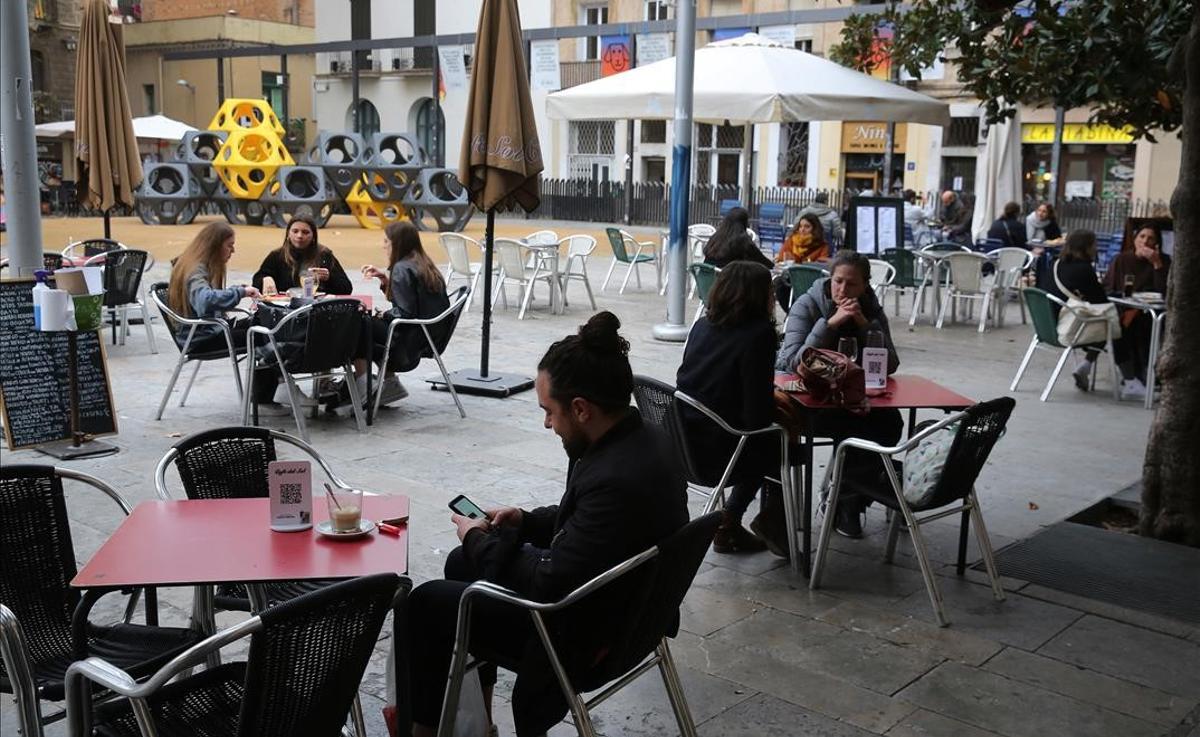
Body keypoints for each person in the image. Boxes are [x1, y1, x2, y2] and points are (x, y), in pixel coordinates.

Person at [405, 312, 689, 737]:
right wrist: (524, 520)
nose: (546, 424)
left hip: (579, 633)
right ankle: (481, 724)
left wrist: (482, 541)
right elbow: (591, 525)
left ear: (581, 409)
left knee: (424, 605)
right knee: (460, 564)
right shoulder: (644, 438)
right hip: (628, 608)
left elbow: (551, 581)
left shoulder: (614, 475)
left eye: (549, 412)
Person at [776, 250, 903, 538]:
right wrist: (829, 324)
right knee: (856, 426)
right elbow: (789, 362)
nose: (843, 290)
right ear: (829, 279)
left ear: (865, 286)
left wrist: (864, 325)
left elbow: (891, 364)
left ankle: (847, 499)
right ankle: (846, 504)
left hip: (855, 398)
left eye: (852, 284)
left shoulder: (871, 309)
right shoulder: (807, 304)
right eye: (838, 282)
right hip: (810, 402)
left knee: (890, 423)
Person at [677, 262, 787, 555]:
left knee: (768, 440)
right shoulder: (759, 334)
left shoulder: (702, 325)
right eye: (770, 291)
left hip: (683, 441)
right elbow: (755, 416)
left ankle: (734, 524)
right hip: (718, 452)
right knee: (780, 440)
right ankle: (741, 519)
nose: (773, 298)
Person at [166, 222, 281, 406]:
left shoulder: (192, 263)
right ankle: (266, 396)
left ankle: (273, 385)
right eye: (229, 245)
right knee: (267, 332)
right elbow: (204, 301)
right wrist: (240, 293)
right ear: (214, 246)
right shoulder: (195, 269)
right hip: (203, 339)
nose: (233, 250)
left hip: (206, 331)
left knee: (266, 321)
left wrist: (239, 290)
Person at [343, 221, 450, 408]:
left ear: (397, 243)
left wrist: (382, 315)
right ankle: (390, 383)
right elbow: (412, 304)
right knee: (367, 323)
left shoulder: (401, 268)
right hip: (428, 337)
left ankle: (364, 383)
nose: (384, 245)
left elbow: (405, 314)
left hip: (407, 344)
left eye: (386, 241)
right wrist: (385, 280)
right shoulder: (424, 263)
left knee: (357, 324)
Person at [1048, 230, 1144, 400]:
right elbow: (1101, 302)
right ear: (1086, 247)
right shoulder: (1084, 269)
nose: (1096, 248)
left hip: (1050, 324)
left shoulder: (1056, 264)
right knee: (1115, 325)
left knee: (1106, 323)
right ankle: (1130, 382)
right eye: (1094, 244)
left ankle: (1086, 365)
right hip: (1070, 328)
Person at [1102, 224, 1170, 389]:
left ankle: (1143, 372)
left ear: (1156, 243)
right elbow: (1109, 288)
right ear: (1135, 239)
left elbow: (1163, 291)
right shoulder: (1122, 259)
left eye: (1150, 238)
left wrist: (1156, 264)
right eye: (1142, 236)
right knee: (1129, 322)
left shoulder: (1164, 260)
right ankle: (1136, 373)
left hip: (1151, 310)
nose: (1145, 241)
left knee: (1141, 322)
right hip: (1124, 308)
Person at [251, 215, 352, 295]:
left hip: (315, 309)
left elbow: (347, 289)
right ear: (288, 234)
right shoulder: (277, 255)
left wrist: (330, 278)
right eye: (295, 231)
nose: (299, 236)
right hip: (285, 309)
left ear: (313, 236)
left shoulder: (324, 255)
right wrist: (265, 279)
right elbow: (255, 284)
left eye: (305, 232)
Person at [773, 213, 829, 312]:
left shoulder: (822, 245)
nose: (802, 230)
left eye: (807, 227)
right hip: (791, 278)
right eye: (800, 226)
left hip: (811, 280)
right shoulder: (791, 241)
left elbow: (822, 263)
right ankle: (791, 312)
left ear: (815, 229)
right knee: (779, 283)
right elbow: (782, 258)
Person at [703, 207, 772, 269]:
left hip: (705, 280)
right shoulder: (742, 239)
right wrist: (773, 265)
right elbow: (760, 259)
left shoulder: (715, 237)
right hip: (728, 281)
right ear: (744, 222)